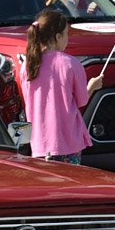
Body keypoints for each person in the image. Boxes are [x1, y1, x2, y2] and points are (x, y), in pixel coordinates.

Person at [19, 9, 104, 164]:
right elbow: (82, 101)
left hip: (39, 142)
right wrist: (92, 86)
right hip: (68, 142)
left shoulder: (28, 65)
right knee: (68, 185)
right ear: (58, 37)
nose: (67, 38)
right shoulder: (70, 63)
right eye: (66, 33)